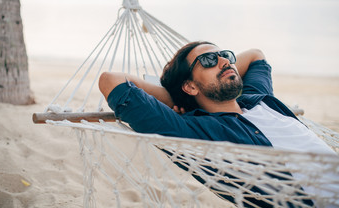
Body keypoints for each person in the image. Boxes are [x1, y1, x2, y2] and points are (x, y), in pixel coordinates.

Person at [99, 41, 337, 207]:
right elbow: (112, 81)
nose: (224, 61)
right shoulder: (195, 132)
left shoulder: (256, 97)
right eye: (208, 60)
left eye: (226, 56)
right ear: (190, 86)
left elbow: (255, 54)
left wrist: (195, 88)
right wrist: (177, 97)